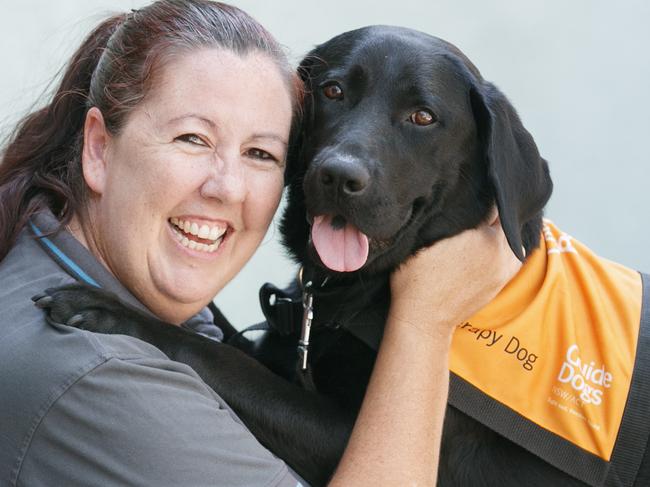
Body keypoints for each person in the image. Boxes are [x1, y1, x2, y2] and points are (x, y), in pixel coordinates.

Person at [0, 1, 521, 485]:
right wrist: (424, 322)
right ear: (97, 147)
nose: (226, 187)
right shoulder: (103, 382)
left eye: (260, 153)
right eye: (192, 139)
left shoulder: (47, 251)